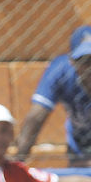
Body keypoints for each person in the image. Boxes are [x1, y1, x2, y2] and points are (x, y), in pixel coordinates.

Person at [15, 24, 91, 166]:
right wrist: (19, 162)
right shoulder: (60, 71)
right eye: (85, 61)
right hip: (80, 144)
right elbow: (36, 117)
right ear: (72, 61)